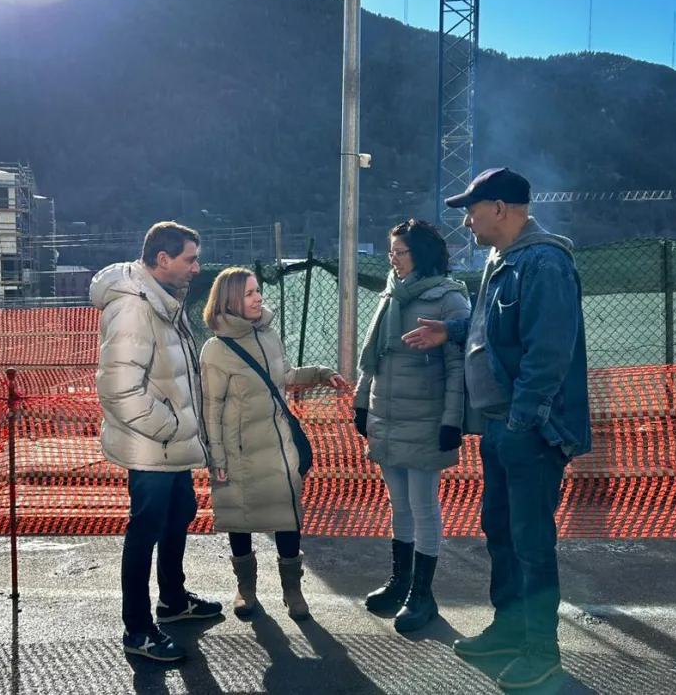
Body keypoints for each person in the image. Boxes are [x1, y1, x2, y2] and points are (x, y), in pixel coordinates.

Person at [402, 168, 592, 689]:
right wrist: (451, 330)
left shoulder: (545, 263)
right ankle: (510, 630)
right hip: (502, 428)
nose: (467, 221)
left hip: (527, 431)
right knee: (502, 533)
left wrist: (519, 421)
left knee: (531, 541)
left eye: (473, 210)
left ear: (501, 209)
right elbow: (494, 327)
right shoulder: (502, 260)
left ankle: (541, 651)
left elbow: (548, 355)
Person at [90, 221, 222, 663]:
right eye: (190, 259)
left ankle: (172, 600)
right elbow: (118, 389)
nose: (197, 268)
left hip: (170, 444)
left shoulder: (162, 299)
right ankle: (138, 630)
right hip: (153, 445)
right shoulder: (134, 306)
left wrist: (180, 429)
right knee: (145, 531)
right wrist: (172, 427)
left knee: (179, 513)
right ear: (162, 259)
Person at [199, 267, 345, 621]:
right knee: (240, 519)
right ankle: (245, 588)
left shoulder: (269, 335)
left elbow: (285, 376)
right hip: (237, 451)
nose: (258, 297)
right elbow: (210, 408)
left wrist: (321, 373)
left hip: (279, 447)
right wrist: (216, 457)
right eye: (249, 293)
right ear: (230, 300)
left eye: (257, 291)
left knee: (287, 518)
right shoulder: (216, 350)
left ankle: (292, 590)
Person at [352, 219, 471, 633]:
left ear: (420, 253)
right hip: (386, 416)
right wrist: (361, 403)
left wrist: (452, 421)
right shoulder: (391, 293)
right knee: (398, 504)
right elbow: (373, 357)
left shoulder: (449, 298)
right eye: (391, 252)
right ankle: (400, 582)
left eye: (400, 252)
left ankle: (423, 595)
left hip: (426, 420)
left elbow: (458, 368)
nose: (393, 259)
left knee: (423, 506)